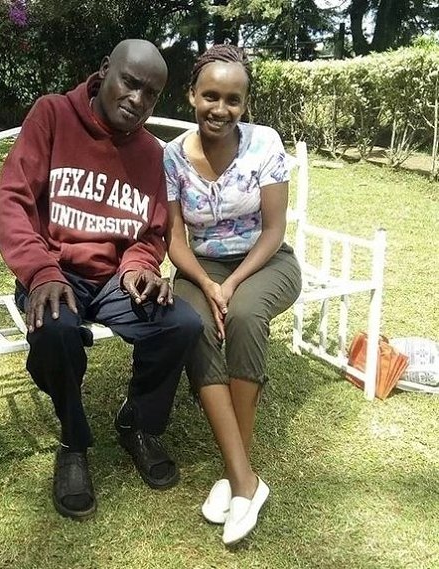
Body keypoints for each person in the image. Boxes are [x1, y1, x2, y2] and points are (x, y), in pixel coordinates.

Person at [0, 39, 203, 521]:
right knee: (55, 331)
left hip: (113, 279)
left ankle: (138, 424)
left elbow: (150, 232)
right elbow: (12, 200)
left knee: (181, 325)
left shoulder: (149, 152)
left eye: (151, 94)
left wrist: (140, 268)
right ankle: (73, 442)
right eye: (129, 82)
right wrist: (40, 271)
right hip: (54, 271)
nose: (137, 99)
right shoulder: (52, 115)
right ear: (105, 69)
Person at [164, 44, 302, 545]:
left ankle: (235, 475)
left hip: (265, 262)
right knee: (194, 322)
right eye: (210, 96)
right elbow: (175, 240)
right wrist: (205, 283)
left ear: (245, 104)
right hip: (199, 267)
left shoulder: (265, 143)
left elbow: (274, 230)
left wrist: (231, 283)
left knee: (243, 315)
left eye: (233, 100)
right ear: (191, 96)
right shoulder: (171, 157)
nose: (220, 109)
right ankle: (245, 479)